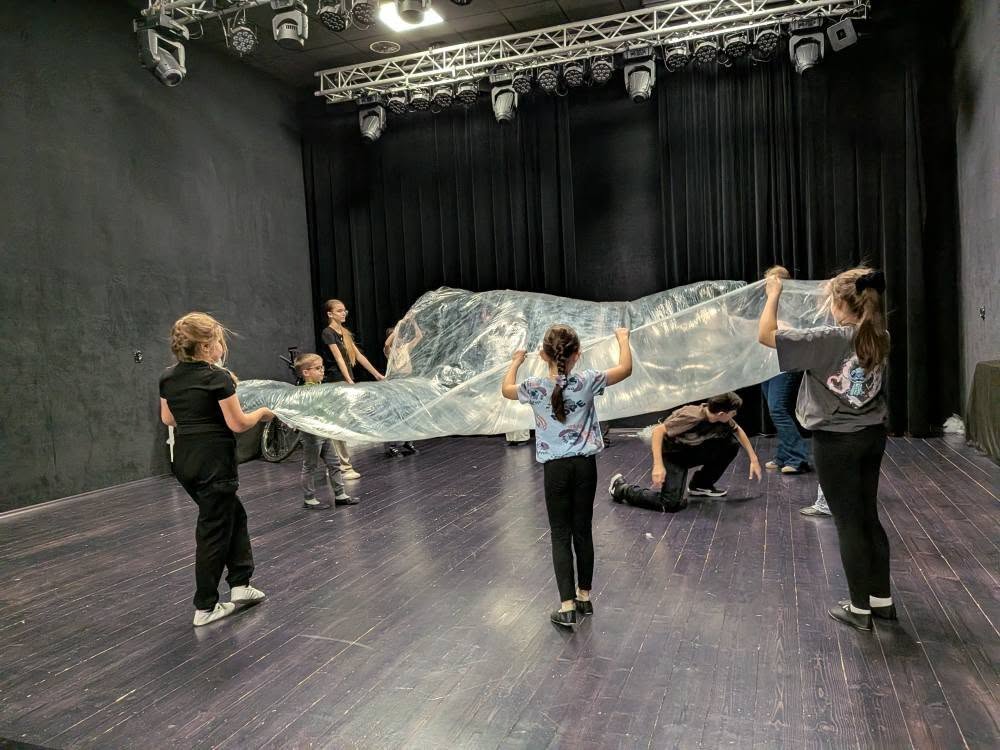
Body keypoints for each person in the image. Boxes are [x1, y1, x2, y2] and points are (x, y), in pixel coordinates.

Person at [759, 266, 894, 631]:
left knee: (847, 522)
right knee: (868, 517)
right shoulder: (879, 334)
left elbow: (765, 334)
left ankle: (859, 609)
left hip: (837, 441)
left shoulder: (828, 339)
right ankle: (881, 602)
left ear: (839, 304)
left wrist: (773, 294)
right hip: (872, 436)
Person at [502, 325, 632, 628]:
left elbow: (506, 389)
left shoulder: (533, 387)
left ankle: (567, 606)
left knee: (560, 534)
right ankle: (584, 596)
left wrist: (516, 362)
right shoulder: (587, 381)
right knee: (582, 531)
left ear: (543, 354)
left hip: (555, 470)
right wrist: (623, 339)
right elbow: (625, 369)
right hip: (585, 467)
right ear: (577, 354)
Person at [159, 313, 273, 627]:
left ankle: (240, 583)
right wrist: (263, 413)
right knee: (214, 531)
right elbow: (238, 423)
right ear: (207, 346)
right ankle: (205, 606)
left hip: (185, 461)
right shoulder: (217, 377)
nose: (223, 347)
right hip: (214, 463)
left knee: (233, 515)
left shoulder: (168, 377)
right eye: (220, 341)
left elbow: (168, 419)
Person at [608, 393, 762, 512]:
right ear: (722, 413)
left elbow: (737, 430)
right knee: (669, 504)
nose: (734, 416)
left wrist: (753, 459)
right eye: (733, 413)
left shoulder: (720, 418)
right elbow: (658, 431)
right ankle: (621, 488)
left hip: (690, 450)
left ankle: (701, 485)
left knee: (731, 445)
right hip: (672, 454)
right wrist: (658, 465)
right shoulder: (691, 416)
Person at [320, 299, 385, 479]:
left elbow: (359, 356)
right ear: (330, 314)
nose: (344, 313)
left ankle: (339, 465)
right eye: (339, 311)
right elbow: (338, 358)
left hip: (344, 381)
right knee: (337, 424)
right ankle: (342, 467)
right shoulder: (328, 333)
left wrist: (377, 374)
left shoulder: (345, 333)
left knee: (341, 424)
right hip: (335, 381)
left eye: (344, 310)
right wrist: (348, 379)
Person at [759, 266, 811, 474]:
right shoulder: (767, 304)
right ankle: (783, 456)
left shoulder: (794, 304)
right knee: (778, 411)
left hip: (785, 365)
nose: (768, 287)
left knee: (778, 409)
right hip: (767, 367)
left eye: (772, 282)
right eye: (767, 283)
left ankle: (797, 458)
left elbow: (796, 332)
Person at [294, 354, 359, 509]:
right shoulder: (305, 392)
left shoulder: (320, 388)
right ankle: (309, 499)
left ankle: (340, 494)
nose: (322, 370)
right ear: (306, 372)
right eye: (317, 368)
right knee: (310, 466)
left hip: (324, 433)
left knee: (334, 463)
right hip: (312, 435)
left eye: (322, 367)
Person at [383, 318, 421, 457]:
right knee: (396, 414)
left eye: (398, 335)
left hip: (407, 381)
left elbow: (419, 336)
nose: (398, 338)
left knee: (410, 412)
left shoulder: (405, 347)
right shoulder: (389, 351)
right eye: (395, 336)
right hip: (396, 381)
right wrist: (398, 327)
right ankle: (392, 445)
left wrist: (413, 322)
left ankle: (408, 442)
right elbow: (387, 344)